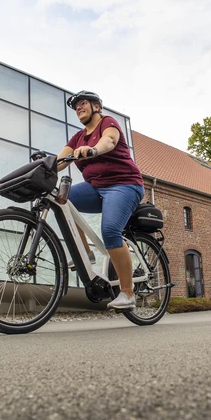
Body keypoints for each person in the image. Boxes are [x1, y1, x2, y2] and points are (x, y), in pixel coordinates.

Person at [56, 91, 144, 310]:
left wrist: (93, 149)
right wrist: (43, 167)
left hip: (124, 184)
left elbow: (110, 141)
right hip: (96, 187)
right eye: (75, 106)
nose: (78, 108)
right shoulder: (77, 138)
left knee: (110, 230)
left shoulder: (108, 122)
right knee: (62, 200)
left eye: (82, 103)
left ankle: (127, 292)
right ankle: (85, 252)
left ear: (96, 106)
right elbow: (59, 161)